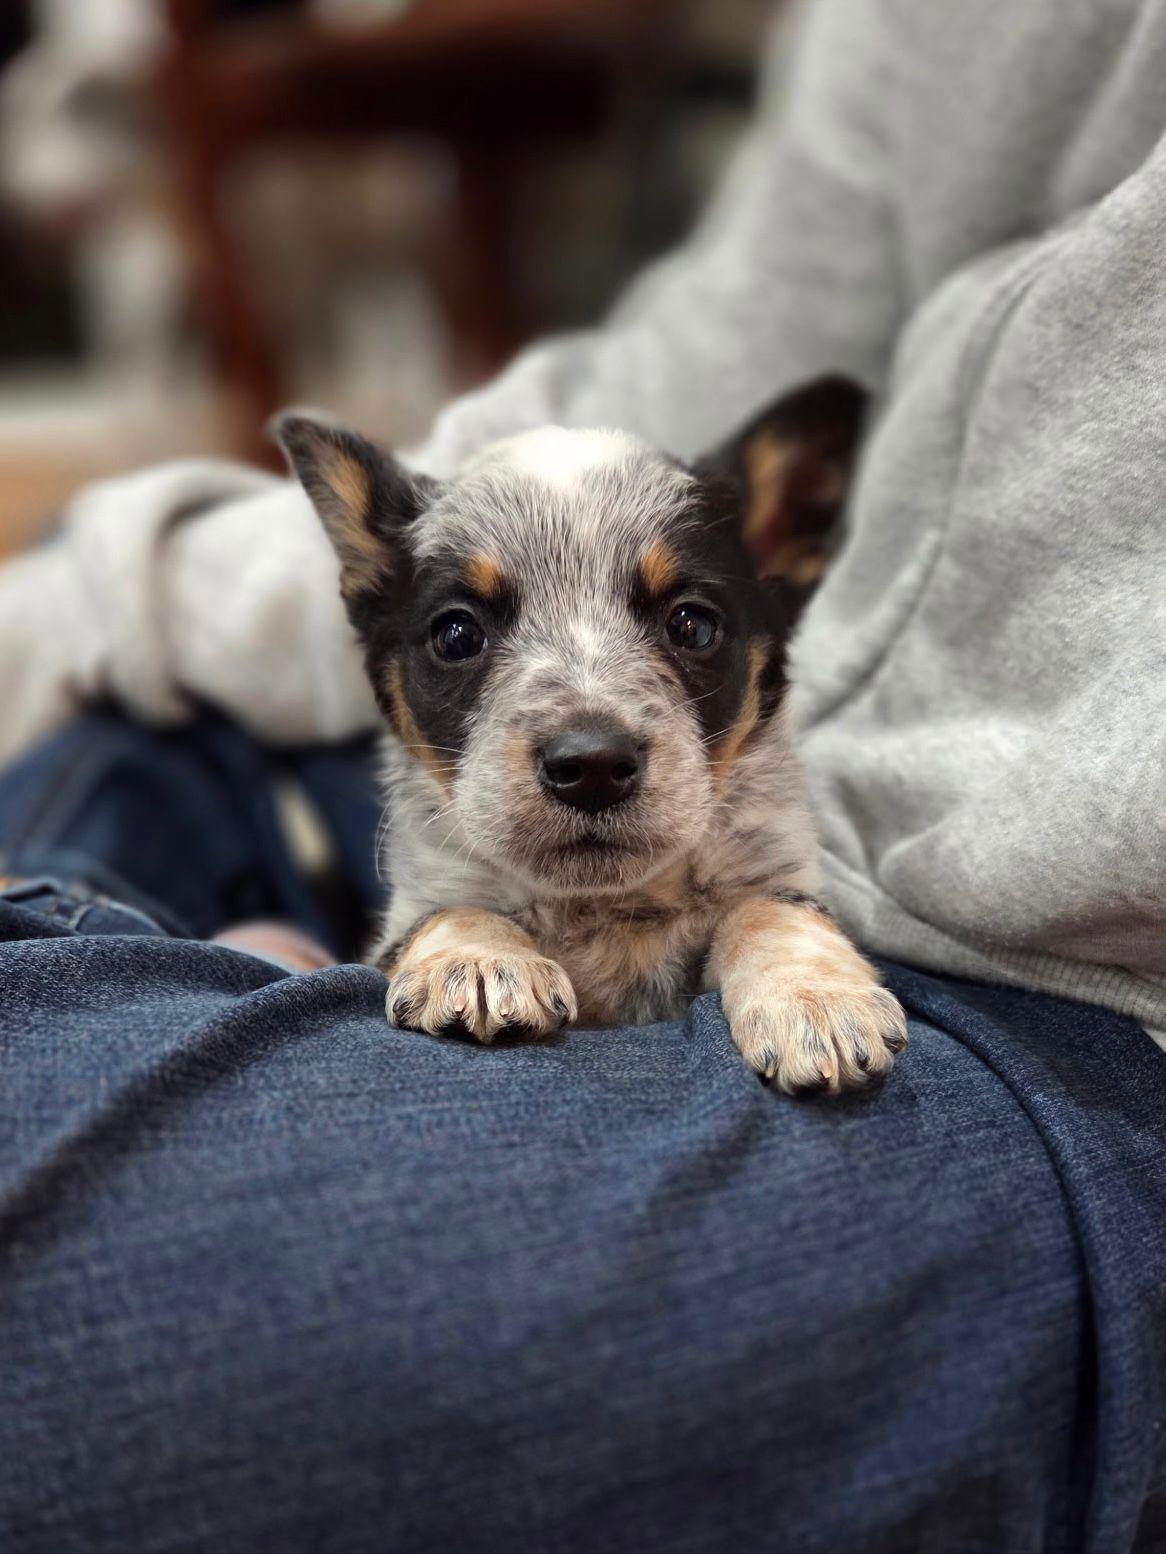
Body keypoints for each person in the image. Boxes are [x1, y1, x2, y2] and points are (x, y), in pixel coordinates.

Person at [1, 0, 1164, 1548]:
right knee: (124, 746)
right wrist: (113, 592)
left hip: (1049, 1029)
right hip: (469, 902)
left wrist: (773, 935)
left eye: (683, 623)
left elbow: (757, 890)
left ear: (773, 594)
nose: (588, 723)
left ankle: (200, 977)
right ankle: (216, 974)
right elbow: (723, 332)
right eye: (468, 632)